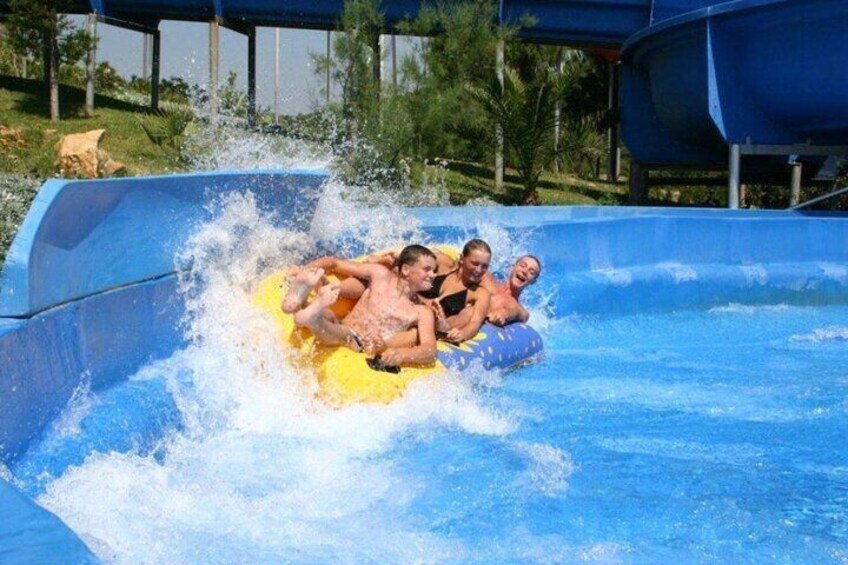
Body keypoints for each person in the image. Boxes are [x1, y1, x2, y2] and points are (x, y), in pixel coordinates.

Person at [282, 245, 438, 367]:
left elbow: (430, 349)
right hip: (343, 325)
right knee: (330, 317)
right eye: (427, 269)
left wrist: (401, 354)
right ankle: (303, 296)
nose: (433, 275)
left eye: (434, 271)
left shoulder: (421, 311)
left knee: (341, 333)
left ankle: (309, 314)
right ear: (406, 270)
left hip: (358, 343)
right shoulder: (380, 274)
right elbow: (334, 263)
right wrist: (305, 270)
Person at [432, 252, 541, 326]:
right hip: (447, 304)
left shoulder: (518, 308)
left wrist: (503, 314)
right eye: (523, 265)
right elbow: (458, 267)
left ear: (533, 281)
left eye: (531, 272)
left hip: (458, 320)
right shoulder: (487, 277)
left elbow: (515, 313)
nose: (525, 271)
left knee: (470, 312)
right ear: (512, 267)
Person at [419, 239, 492, 343]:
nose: (479, 270)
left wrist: (462, 334)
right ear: (462, 258)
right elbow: (414, 260)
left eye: (484, 266)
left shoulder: (480, 294)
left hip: (428, 327)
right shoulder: (443, 264)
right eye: (475, 264)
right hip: (407, 308)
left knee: (469, 312)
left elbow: (474, 324)